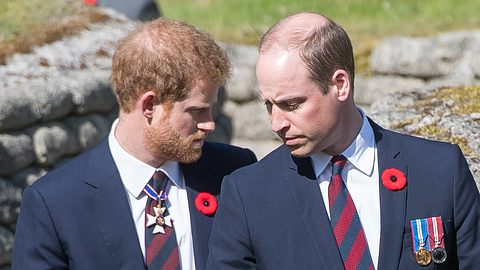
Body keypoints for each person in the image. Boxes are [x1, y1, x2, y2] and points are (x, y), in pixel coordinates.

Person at [207, 12, 480, 270]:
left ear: (340, 85)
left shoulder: (440, 170)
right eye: (269, 105)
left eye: (292, 104)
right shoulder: (249, 195)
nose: (276, 123)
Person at [12, 18, 257, 270]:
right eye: (196, 111)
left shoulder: (234, 172)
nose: (209, 124)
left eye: (210, 110)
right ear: (149, 106)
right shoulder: (56, 203)